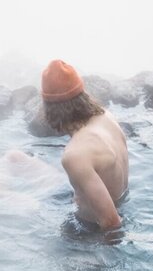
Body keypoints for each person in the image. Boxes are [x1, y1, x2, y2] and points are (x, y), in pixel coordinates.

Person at [41, 59, 128, 230]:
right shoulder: (106, 117)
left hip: (90, 233)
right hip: (124, 203)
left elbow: (112, 222)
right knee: (15, 157)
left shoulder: (75, 155)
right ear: (83, 94)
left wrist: (101, 255)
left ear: (49, 109)